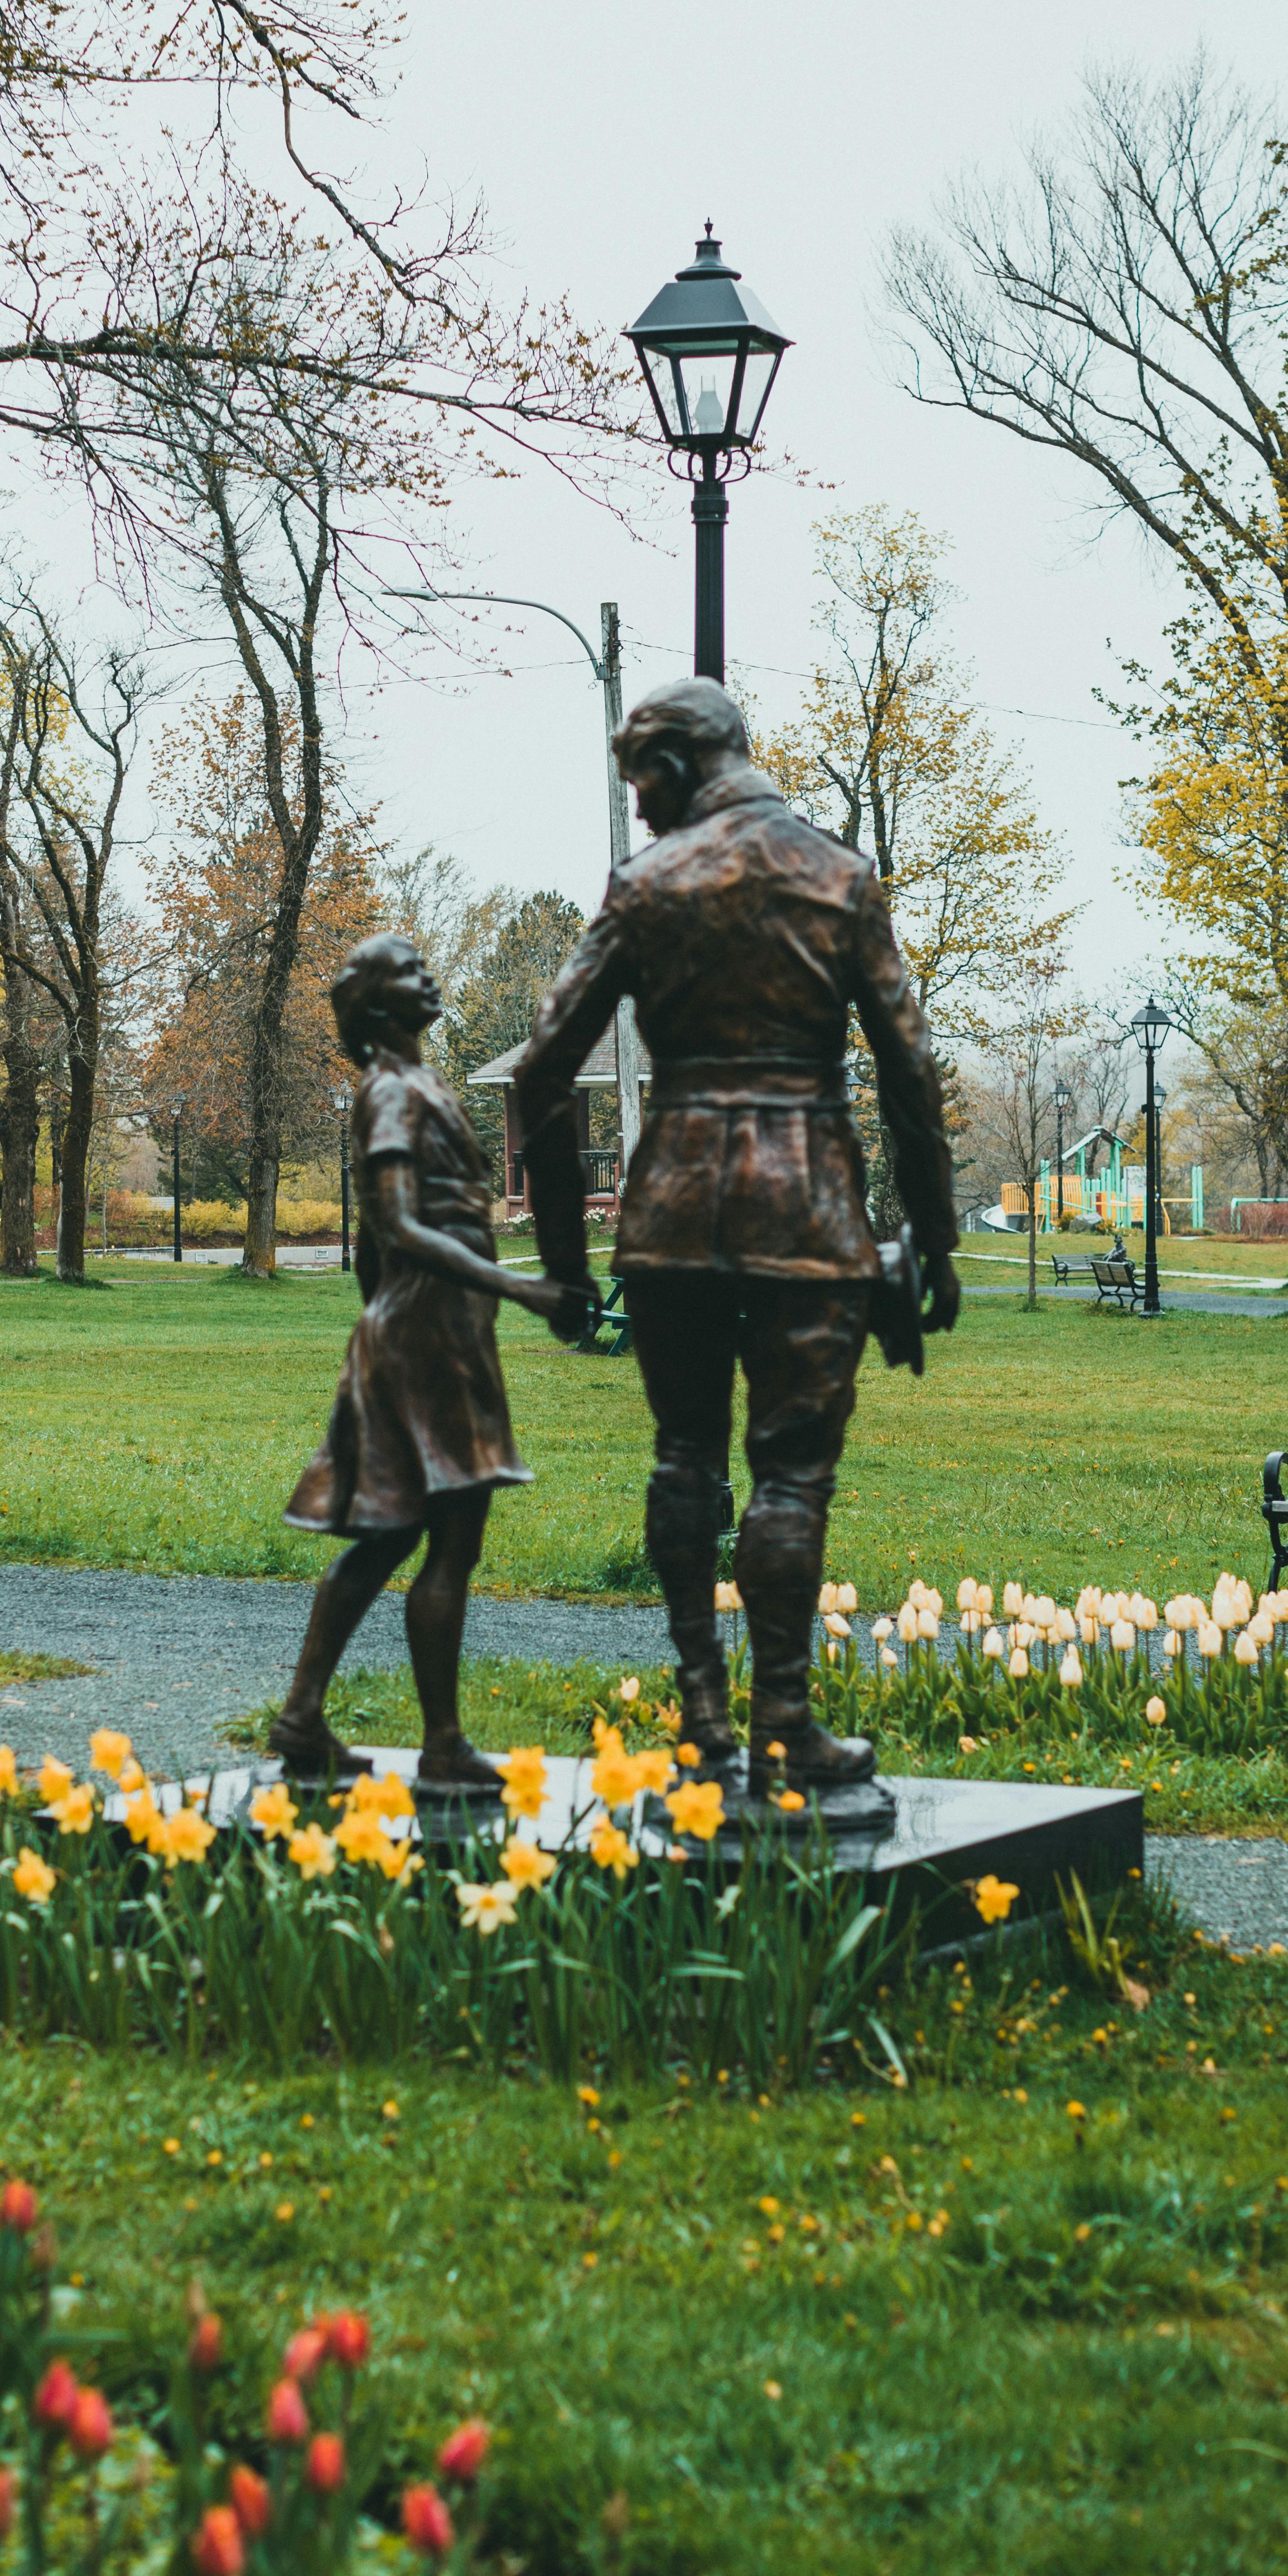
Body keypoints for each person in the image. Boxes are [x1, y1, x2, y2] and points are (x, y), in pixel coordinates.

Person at [515, 678, 960, 1802]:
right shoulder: (837, 876)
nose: (645, 814)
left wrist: (565, 1268)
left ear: (674, 766)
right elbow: (908, 1072)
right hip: (806, 1203)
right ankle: (783, 1721)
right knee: (791, 1471)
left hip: (672, 1203)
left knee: (682, 1455)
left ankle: (705, 1716)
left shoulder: (642, 887)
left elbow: (538, 1071)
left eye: (642, 788)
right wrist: (932, 1240)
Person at [271, 932, 587, 1797]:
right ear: (377, 1007)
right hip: (427, 1334)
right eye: (409, 973)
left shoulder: (415, 1087)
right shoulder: (388, 1094)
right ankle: (441, 1746)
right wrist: (519, 1292)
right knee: (445, 1533)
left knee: (398, 1534)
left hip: (436, 1329)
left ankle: (305, 1718)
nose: (431, 976)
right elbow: (400, 1227)